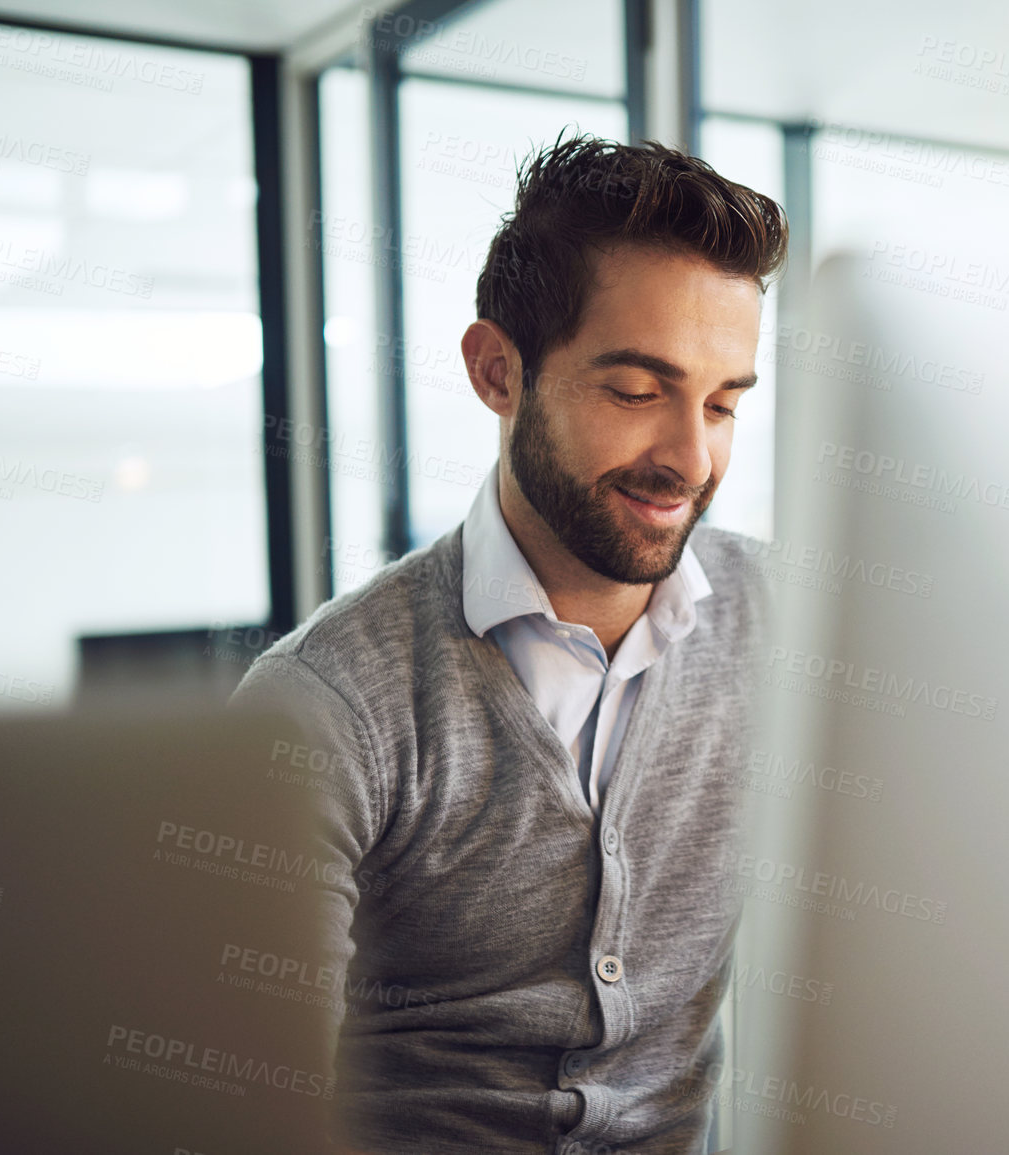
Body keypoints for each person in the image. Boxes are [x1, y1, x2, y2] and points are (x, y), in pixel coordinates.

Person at [231, 132, 785, 1155]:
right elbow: (251, 1098)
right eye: (635, 391)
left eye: (721, 404)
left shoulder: (784, 626)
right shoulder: (325, 704)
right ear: (497, 371)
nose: (688, 458)